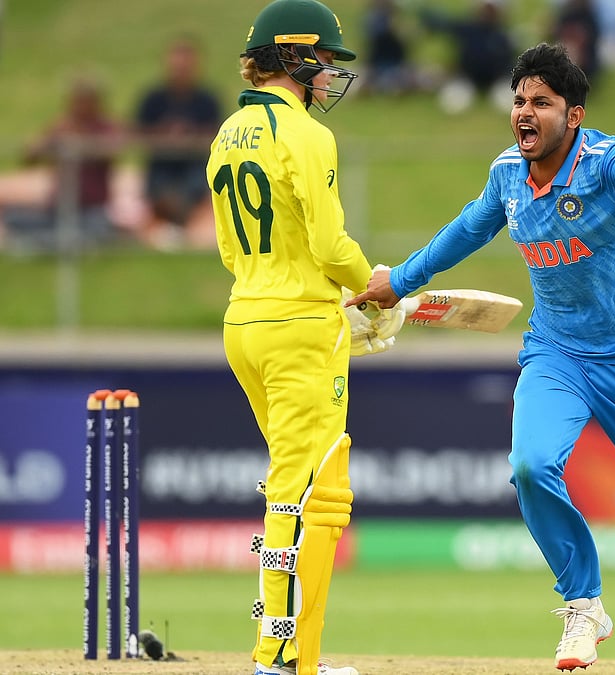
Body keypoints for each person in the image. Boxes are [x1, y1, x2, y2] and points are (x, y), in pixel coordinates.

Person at [346, 42, 615, 675]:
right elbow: (467, 229)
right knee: (530, 465)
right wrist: (400, 280)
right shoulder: (507, 176)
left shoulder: (606, 165)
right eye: (519, 100)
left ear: (573, 116)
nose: (525, 111)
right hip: (557, 353)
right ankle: (583, 603)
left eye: (541, 102)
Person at [206, 1, 377, 673]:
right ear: (294, 58)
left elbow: (230, 249)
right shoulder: (306, 134)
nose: (331, 75)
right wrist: (374, 287)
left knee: (288, 486)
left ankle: (278, 650)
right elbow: (331, 246)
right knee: (313, 494)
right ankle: (284, 659)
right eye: (325, 62)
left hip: (245, 319)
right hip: (300, 327)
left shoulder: (228, 132)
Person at [1, 76, 126, 253]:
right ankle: (59, 242)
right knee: (13, 218)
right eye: (77, 100)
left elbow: (111, 153)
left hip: (92, 209)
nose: (81, 106)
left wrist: (81, 140)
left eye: (86, 100)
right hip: (58, 209)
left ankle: (45, 243)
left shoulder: (107, 128)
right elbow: (29, 158)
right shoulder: (61, 126)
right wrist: (46, 143)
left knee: (99, 228)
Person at [135, 35, 222, 250]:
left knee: (198, 186)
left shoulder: (207, 100)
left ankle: (188, 230)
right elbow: (138, 132)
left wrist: (190, 135)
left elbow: (216, 132)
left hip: (195, 166)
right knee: (159, 189)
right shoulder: (153, 99)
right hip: (161, 167)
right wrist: (164, 134)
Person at [419, 0, 516, 114]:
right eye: (485, 9)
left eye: (491, 10)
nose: (487, 13)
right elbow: (437, 22)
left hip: (500, 79)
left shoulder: (506, 34)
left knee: (508, 103)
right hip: (466, 78)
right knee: (453, 103)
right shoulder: (465, 29)